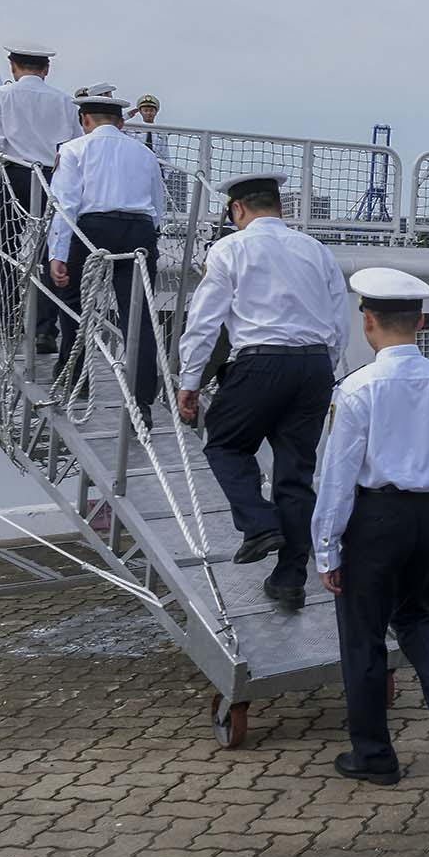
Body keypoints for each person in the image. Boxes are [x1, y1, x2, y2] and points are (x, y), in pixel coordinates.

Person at [303, 266, 429, 781]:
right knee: (419, 615)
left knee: (363, 636)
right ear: (420, 322)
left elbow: (337, 474)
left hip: (376, 516)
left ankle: (374, 755)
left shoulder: (357, 388)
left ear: (368, 323)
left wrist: (327, 547)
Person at [176, 171, 349, 612]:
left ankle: (258, 523)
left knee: (225, 445)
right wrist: (322, 370)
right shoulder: (316, 250)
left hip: (259, 360)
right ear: (280, 206)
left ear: (237, 209)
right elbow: (338, 320)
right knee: (295, 474)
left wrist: (189, 381)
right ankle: (290, 579)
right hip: (313, 365)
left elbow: (205, 321)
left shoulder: (230, 248)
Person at [46, 90, 169, 423]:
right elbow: (157, 205)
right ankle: (141, 401)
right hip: (138, 228)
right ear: (121, 122)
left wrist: (58, 253)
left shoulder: (73, 149)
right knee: (138, 315)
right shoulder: (144, 153)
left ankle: (74, 371)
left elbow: (65, 205)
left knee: (72, 299)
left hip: (92, 226)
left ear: (84, 120)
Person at [0, 42, 80, 347]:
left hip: (14, 175)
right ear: (46, 69)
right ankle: (46, 327)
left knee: (4, 247)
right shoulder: (64, 102)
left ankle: (7, 312)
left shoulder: (0, 96)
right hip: (53, 178)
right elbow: (73, 148)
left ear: (12, 66)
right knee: (53, 253)